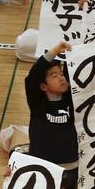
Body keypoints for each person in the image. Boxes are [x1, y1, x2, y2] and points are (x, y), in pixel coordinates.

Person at [25, 40, 77, 169]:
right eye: (54, 76)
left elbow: (73, 71)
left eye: (61, 74)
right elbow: (34, 75)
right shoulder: (37, 103)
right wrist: (54, 51)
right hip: (44, 167)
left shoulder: (71, 98)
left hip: (72, 165)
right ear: (43, 86)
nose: (61, 78)